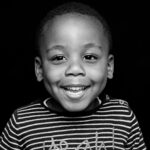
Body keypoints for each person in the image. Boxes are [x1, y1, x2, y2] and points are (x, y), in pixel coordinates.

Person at [0, 2, 147, 150]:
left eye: (89, 57)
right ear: (39, 69)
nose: (75, 69)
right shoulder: (22, 122)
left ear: (109, 67)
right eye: (58, 58)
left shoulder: (122, 117)